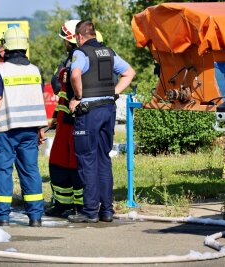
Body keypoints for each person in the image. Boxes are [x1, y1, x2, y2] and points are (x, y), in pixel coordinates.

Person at [68, 20, 136, 223]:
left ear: (79, 37)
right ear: (94, 34)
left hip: (89, 113)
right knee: (103, 159)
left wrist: (78, 97)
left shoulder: (80, 53)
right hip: (108, 110)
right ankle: (106, 210)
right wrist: (112, 93)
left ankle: (90, 212)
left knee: (87, 159)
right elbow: (129, 73)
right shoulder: (108, 52)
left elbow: (75, 74)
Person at [0, 26, 48, 227]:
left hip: (5, 130)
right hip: (30, 130)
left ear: (6, 47)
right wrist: (40, 129)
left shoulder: (1, 71)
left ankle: (1, 216)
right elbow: (38, 99)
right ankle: (35, 216)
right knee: (30, 171)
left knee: (3, 171)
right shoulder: (35, 70)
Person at [46, 20, 84, 218]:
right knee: (60, 164)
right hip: (64, 122)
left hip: (76, 122)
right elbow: (59, 89)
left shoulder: (77, 62)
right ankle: (64, 204)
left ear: (71, 40)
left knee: (73, 165)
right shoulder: (70, 61)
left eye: (65, 41)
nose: (64, 44)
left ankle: (78, 206)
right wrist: (54, 117)